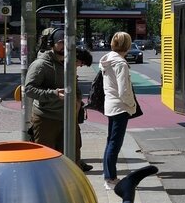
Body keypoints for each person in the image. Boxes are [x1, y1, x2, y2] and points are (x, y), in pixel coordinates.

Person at [24, 28, 92, 170]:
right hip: (46, 119)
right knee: (45, 161)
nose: (65, 46)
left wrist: (78, 100)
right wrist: (53, 94)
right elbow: (29, 90)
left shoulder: (69, 64)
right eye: (61, 42)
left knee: (71, 160)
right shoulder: (41, 65)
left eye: (68, 43)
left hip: (68, 119)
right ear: (52, 44)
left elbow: (74, 86)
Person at [99, 32, 139, 191]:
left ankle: (109, 176)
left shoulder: (107, 60)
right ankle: (110, 179)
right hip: (120, 107)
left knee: (111, 142)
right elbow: (124, 91)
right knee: (115, 143)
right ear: (127, 45)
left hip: (110, 104)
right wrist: (132, 104)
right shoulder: (120, 64)